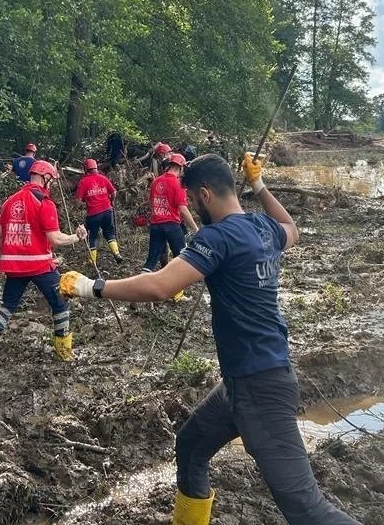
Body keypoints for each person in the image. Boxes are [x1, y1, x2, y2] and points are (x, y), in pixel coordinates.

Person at [60, 153, 362, 525]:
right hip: (240, 383)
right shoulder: (263, 227)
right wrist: (260, 185)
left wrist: (91, 287)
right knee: (191, 446)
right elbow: (291, 228)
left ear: (204, 194)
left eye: (190, 198)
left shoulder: (218, 237)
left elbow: (160, 286)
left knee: (306, 508)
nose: (189, 205)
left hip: (261, 389)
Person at [0, 160, 88, 363]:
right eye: (51, 180)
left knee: (8, 305)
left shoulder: (9, 201)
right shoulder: (44, 202)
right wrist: (76, 237)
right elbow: (55, 238)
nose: (52, 184)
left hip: (13, 265)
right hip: (40, 265)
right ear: (45, 178)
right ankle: (64, 352)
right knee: (60, 304)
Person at [144, 153, 198, 274]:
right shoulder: (178, 184)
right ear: (181, 168)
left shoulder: (156, 181)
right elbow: (183, 209)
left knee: (152, 259)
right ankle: (178, 292)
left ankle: (139, 288)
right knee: (181, 259)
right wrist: (195, 228)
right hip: (172, 226)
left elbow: (151, 203)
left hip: (155, 225)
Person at [75, 158, 123, 266]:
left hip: (93, 214)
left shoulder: (83, 182)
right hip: (107, 211)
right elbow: (113, 192)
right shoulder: (103, 178)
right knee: (109, 233)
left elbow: (78, 200)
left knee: (93, 236)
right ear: (96, 168)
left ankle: (92, 261)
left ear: (85, 169)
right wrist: (112, 201)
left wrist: (78, 207)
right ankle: (116, 253)